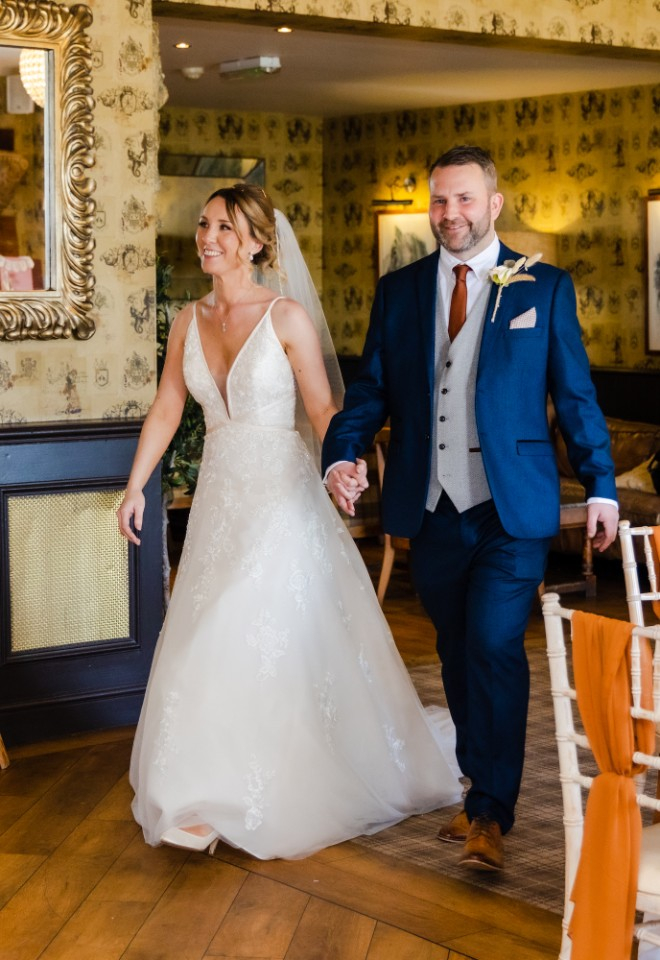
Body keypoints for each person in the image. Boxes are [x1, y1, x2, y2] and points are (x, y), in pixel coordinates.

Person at [117, 183, 462, 860]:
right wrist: (134, 487)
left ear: (254, 242)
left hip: (281, 501)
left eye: (222, 227)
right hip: (221, 503)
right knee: (205, 640)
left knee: (236, 630)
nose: (206, 236)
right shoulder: (188, 320)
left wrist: (343, 464)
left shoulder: (286, 318)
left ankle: (237, 794)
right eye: (204, 225)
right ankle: (202, 788)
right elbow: (166, 407)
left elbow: (327, 411)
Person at [323, 145, 619, 872]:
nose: (449, 214)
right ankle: (476, 785)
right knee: (455, 652)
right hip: (432, 507)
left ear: (494, 204)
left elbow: (575, 398)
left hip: (509, 508)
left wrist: (602, 483)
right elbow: (370, 393)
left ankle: (492, 809)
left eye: (463, 200)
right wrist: (342, 452)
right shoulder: (400, 293)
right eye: (439, 201)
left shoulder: (542, 289)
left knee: (492, 645)